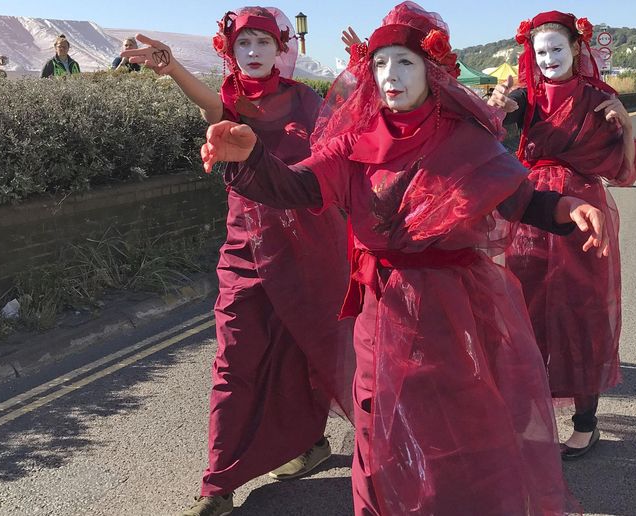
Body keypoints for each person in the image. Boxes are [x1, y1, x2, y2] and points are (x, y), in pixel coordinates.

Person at [201, 3, 607, 513]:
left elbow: (519, 198)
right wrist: (250, 157)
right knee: (378, 427)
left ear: (432, 70)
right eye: (380, 64)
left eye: (405, 63)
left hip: (454, 304)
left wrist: (570, 207)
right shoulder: (353, 142)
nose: (390, 76)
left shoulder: (466, 138)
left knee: (457, 422)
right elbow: (298, 185)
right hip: (382, 304)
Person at [122, 8, 353, 516]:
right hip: (244, 248)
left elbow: (343, 161)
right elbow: (215, 112)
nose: (252, 51)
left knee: (305, 350)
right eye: (243, 42)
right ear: (230, 50)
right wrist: (174, 68)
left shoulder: (310, 102)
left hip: (308, 252)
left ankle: (311, 444)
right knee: (235, 360)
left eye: (262, 43)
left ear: (279, 50)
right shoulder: (232, 102)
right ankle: (217, 485)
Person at [488, 10, 636, 460]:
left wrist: (627, 124)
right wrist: (492, 114)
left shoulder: (600, 99)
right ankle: (528, 418)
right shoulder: (520, 98)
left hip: (585, 214)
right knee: (525, 312)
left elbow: (622, 172)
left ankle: (586, 424)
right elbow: (487, 152)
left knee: (582, 313)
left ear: (576, 48)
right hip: (531, 213)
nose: (549, 58)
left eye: (557, 48)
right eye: (541, 52)